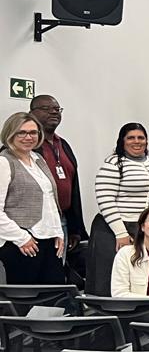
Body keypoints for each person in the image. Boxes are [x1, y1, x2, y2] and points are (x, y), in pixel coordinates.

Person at [88, 122, 149, 295]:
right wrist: (120, 233)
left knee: (140, 279)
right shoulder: (114, 163)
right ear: (122, 141)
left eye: (141, 137)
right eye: (131, 138)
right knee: (112, 280)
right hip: (116, 228)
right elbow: (105, 199)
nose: (136, 141)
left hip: (146, 228)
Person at [0, 112, 65, 286]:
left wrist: (57, 231)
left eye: (33, 133)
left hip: (48, 241)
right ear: (10, 134)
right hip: (21, 243)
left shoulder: (38, 159)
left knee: (55, 300)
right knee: (26, 302)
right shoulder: (4, 162)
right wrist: (21, 237)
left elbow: (50, 200)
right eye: (22, 132)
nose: (28, 137)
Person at [29, 95, 85, 254]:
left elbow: (73, 188)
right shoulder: (24, 147)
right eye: (46, 109)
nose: (53, 113)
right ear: (31, 113)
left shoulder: (63, 144)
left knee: (56, 274)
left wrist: (75, 228)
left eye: (57, 109)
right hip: (33, 225)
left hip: (62, 221)